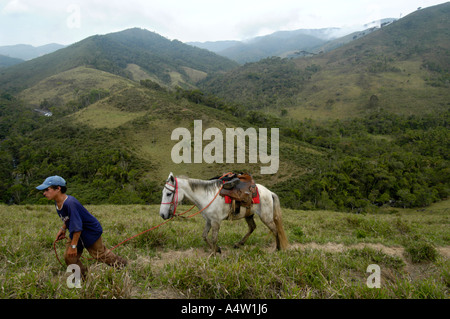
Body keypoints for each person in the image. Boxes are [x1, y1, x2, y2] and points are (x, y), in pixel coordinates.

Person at [36, 175, 127, 278]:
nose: (44, 193)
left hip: (89, 232)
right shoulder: (57, 203)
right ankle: (82, 278)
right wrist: (63, 229)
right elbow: (68, 219)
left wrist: (73, 246)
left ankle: (122, 265)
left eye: (47, 189)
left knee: (100, 254)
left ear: (58, 189)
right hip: (76, 232)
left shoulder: (70, 203)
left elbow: (77, 226)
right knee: (69, 257)